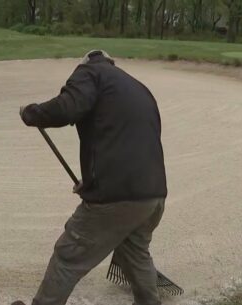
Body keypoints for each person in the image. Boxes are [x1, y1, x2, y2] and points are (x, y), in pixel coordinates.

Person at [15, 50, 167, 305]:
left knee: (68, 255)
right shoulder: (137, 87)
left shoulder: (90, 72)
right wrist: (93, 181)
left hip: (116, 196)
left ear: (86, 62)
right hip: (153, 195)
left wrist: (32, 113)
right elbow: (126, 140)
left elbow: (67, 107)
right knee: (136, 253)